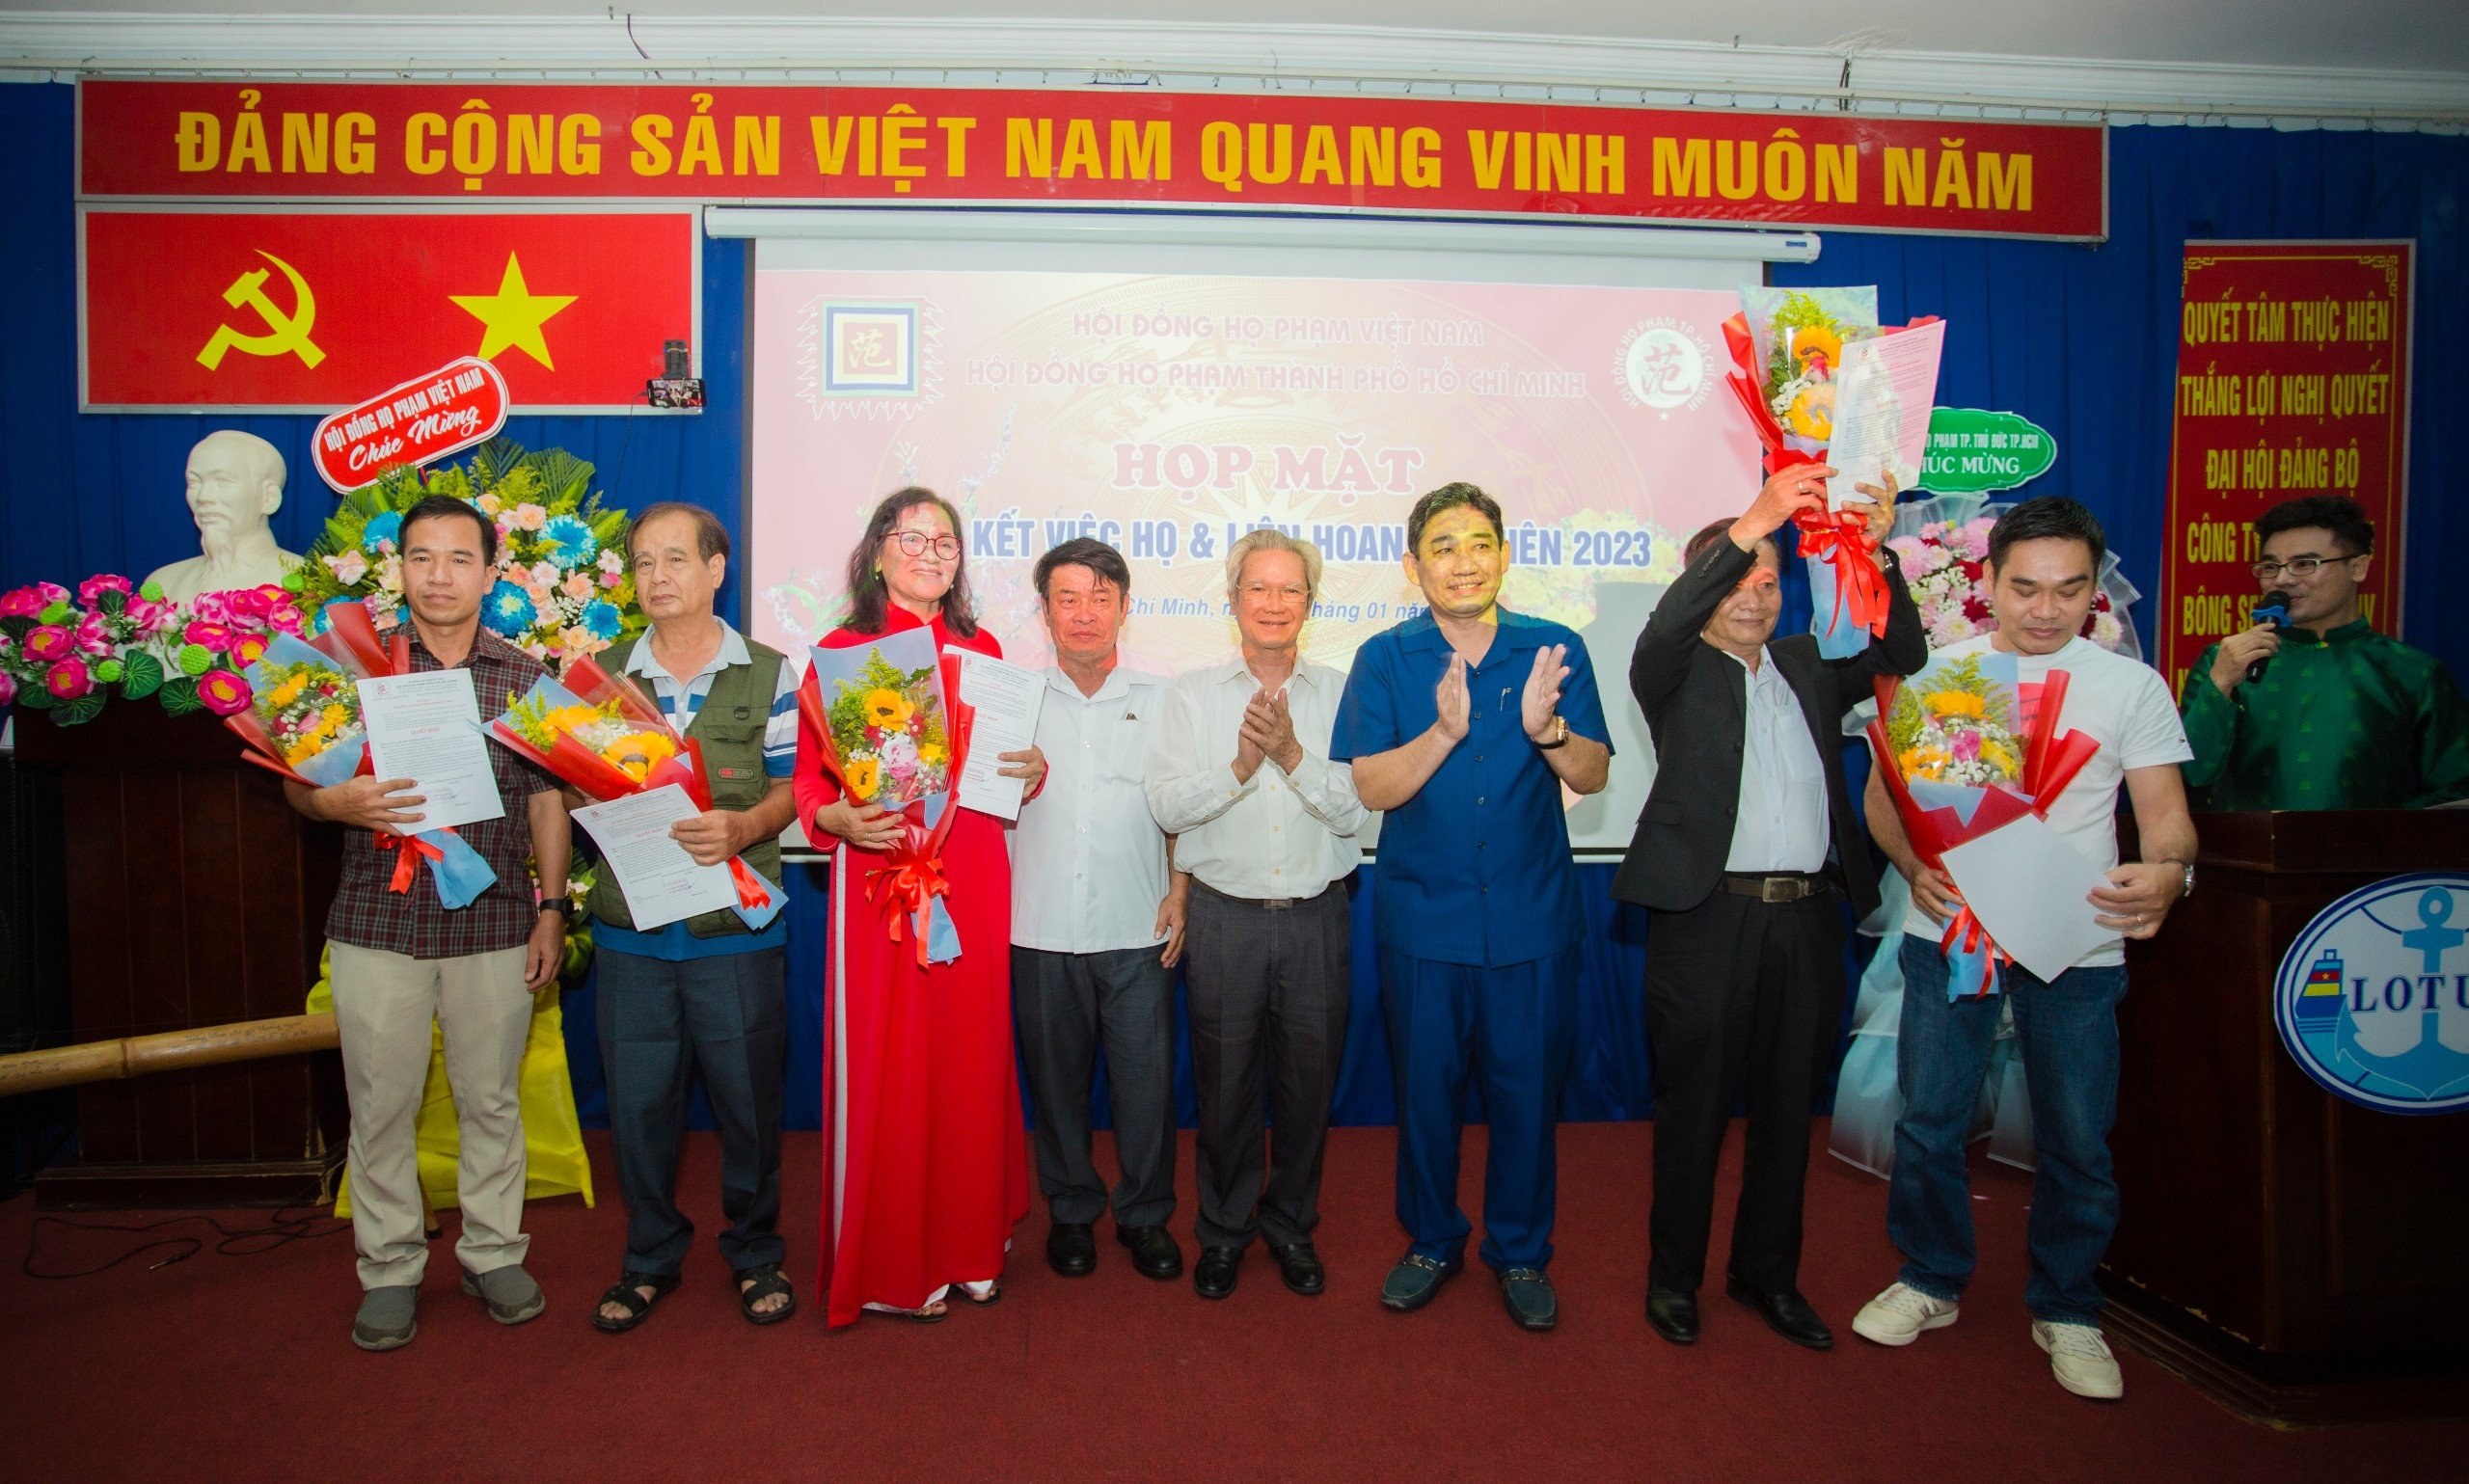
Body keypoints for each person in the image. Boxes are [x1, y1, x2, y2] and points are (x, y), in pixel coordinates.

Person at [1853, 497, 2199, 1401]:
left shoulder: (2130, 686)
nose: (2046, 610)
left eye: (2069, 590)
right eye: (2026, 588)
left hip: (2078, 941)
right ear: (1989, 581)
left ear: (2094, 590)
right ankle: (1931, 1276)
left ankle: (2069, 1305)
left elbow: (2167, 817)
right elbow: (1885, 800)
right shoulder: (1939, 675)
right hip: (1951, 935)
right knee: (1929, 1119)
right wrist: (1912, 868)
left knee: (2077, 1134)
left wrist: (2169, 872)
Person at [1614, 465, 1921, 1351]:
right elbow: (1668, 620)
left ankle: (1766, 1275)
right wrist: (1755, 521)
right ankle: (1674, 1279)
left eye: (1769, 581)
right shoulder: (1672, 669)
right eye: (1736, 580)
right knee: (1696, 1111)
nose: (1754, 597)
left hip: (1809, 921)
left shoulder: (1806, 665)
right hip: (1706, 919)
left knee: (1789, 1111)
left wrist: (1877, 554)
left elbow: (1902, 653)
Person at [282, 494, 570, 1352]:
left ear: (490, 573)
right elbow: (297, 780)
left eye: (459, 558)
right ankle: (390, 1267)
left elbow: (548, 802)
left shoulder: (525, 678)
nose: (439, 575)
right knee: (380, 1104)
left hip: (495, 922)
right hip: (378, 920)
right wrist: (331, 801)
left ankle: (493, 1251)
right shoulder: (355, 668)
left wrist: (552, 909)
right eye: (421, 557)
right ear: (399, 567)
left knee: (491, 1099)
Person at [1333, 482, 1612, 1333]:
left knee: (1528, 1096)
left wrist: (1548, 731)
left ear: (1504, 555)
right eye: (1444, 546)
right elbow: (1372, 785)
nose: (1464, 561)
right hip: (1424, 923)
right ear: (1413, 565)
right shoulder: (1385, 658)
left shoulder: (1554, 648)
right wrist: (1444, 732)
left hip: (1532, 921)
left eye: (1480, 543)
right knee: (1426, 1097)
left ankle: (1521, 1250)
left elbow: (1595, 773)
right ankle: (1431, 1240)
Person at [793, 487, 1033, 1326]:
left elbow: (998, 768)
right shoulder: (845, 651)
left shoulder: (984, 647)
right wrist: (831, 816)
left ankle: (968, 1248)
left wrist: (1030, 770)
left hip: (974, 873)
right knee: (893, 1063)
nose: (931, 553)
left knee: (969, 1058)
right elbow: (809, 782)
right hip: (882, 880)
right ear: (877, 550)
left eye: (946, 542)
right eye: (913, 537)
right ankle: (894, 1263)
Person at [585, 502, 801, 1333]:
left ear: (717, 569)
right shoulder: (600, 676)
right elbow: (572, 790)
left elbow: (792, 786)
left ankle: (755, 1249)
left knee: (748, 1102)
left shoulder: (771, 673)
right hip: (632, 933)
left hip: (734, 932)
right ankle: (648, 1256)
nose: (658, 576)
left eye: (676, 558)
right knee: (639, 1108)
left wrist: (744, 828)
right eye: (644, 562)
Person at [1149, 531, 1367, 1301]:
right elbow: (1166, 805)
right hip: (1224, 920)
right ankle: (1223, 1230)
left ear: (1311, 602)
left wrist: (1294, 756)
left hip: (1317, 918)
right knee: (1225, 1089)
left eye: (1291, 589)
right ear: (1232, 600)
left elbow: (1359, 813)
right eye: (1259, 588)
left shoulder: (1344, 692)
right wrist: (1243, 765)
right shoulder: (1192, 694)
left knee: (1309, 1088)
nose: (1275, 603)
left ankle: (1292, 1226)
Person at [1009, 538, 1186, 1284]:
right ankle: (1072, 1211)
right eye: (1068, 598)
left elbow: (1181, 808)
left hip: (1138, 923)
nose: (1084, 614)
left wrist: (1181, 891)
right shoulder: (1012, 699)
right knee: (1055, 1087)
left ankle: (1145, 1215)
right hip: (1039, 924)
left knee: (1147, 1086)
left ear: (1124, 608)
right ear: (1045, 611)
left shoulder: (1164, 698)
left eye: (1100, 598)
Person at [2179, 494, 2469, 810]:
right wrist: (2221, 683)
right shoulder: (2223, 660)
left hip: (2370, 844)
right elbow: (2189, 778)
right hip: (2247, 844)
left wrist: (2380, 832)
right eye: (2270, 567)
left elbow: (2456, 793)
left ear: (2357, 567)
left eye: (2304, 564)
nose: (2282, 580)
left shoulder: (2412, 671)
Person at [143, 429, 304, 603]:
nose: (203, 497)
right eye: (194, 482)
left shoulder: (310, 584)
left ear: (269, 498)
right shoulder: (165, 584)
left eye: (222, 481)